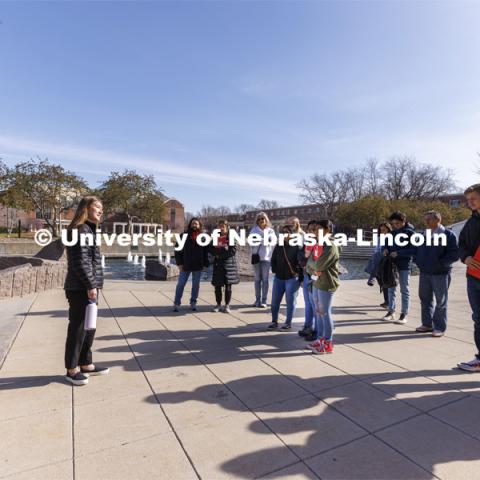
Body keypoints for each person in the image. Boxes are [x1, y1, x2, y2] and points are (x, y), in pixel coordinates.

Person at [64, 196, 109, 386]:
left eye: (101, 207)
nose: (101, 211)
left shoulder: (89, 229)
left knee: (88, 328)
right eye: (97, 207)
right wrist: (91, 285)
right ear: (86, 209)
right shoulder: (80, 230)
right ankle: (71, 369)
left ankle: (86, 363)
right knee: (78, 329)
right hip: (80, 288)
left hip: (89, 287)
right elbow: (80, 262)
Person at [413, 211, 459, 337]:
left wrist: (440, 264)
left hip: (440, 273)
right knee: (425, 299)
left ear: (438, 220)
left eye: (429, 219)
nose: (426, 222)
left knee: (441, 301)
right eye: (425, 219)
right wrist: (418, 261)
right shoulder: (423, 234)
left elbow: (454, 254)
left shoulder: (448, 235)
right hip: (424, 272)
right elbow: (416, 250)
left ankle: (439, 327)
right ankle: (427, 324)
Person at [305, 219, 340, 354]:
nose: (316, 232)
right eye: (315, 229)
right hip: (316, 282)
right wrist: (314, 266)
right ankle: (320, 339)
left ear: (328, 230)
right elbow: (308, 265)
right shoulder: (318, 244)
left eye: (320, 229)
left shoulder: (330, 245)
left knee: (324, 313)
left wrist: (313, 265)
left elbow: (318, 265)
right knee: (318, 314)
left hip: (326, 283)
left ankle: (328, 342)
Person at [458, 184, 480, 371]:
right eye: (468, 200)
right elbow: (462, 244)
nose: (469, 202)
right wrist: (465, 257)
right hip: (473, 277)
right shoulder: (470, 222)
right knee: (478, 318)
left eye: (473, 198)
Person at [267, 225, 302, 331]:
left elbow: (301, 262)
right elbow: (273, 259)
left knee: (290, 302)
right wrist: (275, 270)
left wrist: (297, 273)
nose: (284, 234)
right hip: (279, 278)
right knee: (274, 302)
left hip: (292, 278)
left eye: (287, 232)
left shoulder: (297, 246)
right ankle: (274, 321)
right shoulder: (279, 245)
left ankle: (288, 323)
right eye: (282, 232)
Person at [383, 212, 415, 324]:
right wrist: (386, 249)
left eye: (397, 223)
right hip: (392, 265)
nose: (395, 225)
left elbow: (414, 250)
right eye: (393, 223)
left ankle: (404, 314)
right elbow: (386, 244)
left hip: (404, 265)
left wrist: (399, 253)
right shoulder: (392, 234)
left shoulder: (410, 233)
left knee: (404, 290)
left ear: (403, 221)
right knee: (391, 288)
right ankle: (391, 311)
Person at [173, 217, 209, 312]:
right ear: (190, 224)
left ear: (199, 225)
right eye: (193, 223)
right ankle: (176, 303)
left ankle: (193, 302)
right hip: (185, 264)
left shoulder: (203, 237)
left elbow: (206, 252)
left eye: (196, 224)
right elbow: (177, 251)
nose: (194, 225)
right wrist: (179, 263)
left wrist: (206, 264)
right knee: (181, 284)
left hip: (198, 265)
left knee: (196, 285)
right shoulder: (183, 235)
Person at [208, 219, 239, 313]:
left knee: (228, 286)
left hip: (229, 264)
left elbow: (233, 250)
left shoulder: (232, 237)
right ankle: (218, 304)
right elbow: (210, 248)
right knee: (217, 286)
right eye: (220, 226)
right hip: (218, 264)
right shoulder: (215, 236)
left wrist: (220, 254)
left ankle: (227, 305)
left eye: (223, 226)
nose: (221, 228)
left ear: (227, 227)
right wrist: (216, 254)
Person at [298, 220, 320, 341]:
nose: (311, 232)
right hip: (306, 275)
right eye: (309, 229)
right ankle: (308, 327)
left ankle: (317, 331)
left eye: (314, 229)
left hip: (314, 277)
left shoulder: (320, 244)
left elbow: (319, 263)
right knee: (307, 303)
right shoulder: (307, 242)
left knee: (314, 304)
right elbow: (301, 256)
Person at [250, 212, 276, 308]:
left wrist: (260, 240)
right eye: (259, 219)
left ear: (266, 220)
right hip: (256, 257)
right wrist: (264, 240)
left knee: (265, 280)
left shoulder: (271, 231)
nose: (261, 220)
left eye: (263, 219)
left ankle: (264, 300)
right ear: (257, 221)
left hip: (266, 258)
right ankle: (257, 300)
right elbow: (252, 242)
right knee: (257, 279)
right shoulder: (254, 230)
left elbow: (272, 242)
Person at [365, 222, 393, 309]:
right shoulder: (379, 238)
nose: (382, 231)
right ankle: (386, 301)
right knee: (382, 282)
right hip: (378, 261)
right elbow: (376, 249)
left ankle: (372, 277)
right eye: (380, 230)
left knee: (386, 282)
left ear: (388, 229)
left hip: (386, 261)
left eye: (384, 229)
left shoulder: (391, 237)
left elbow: (388, 250)